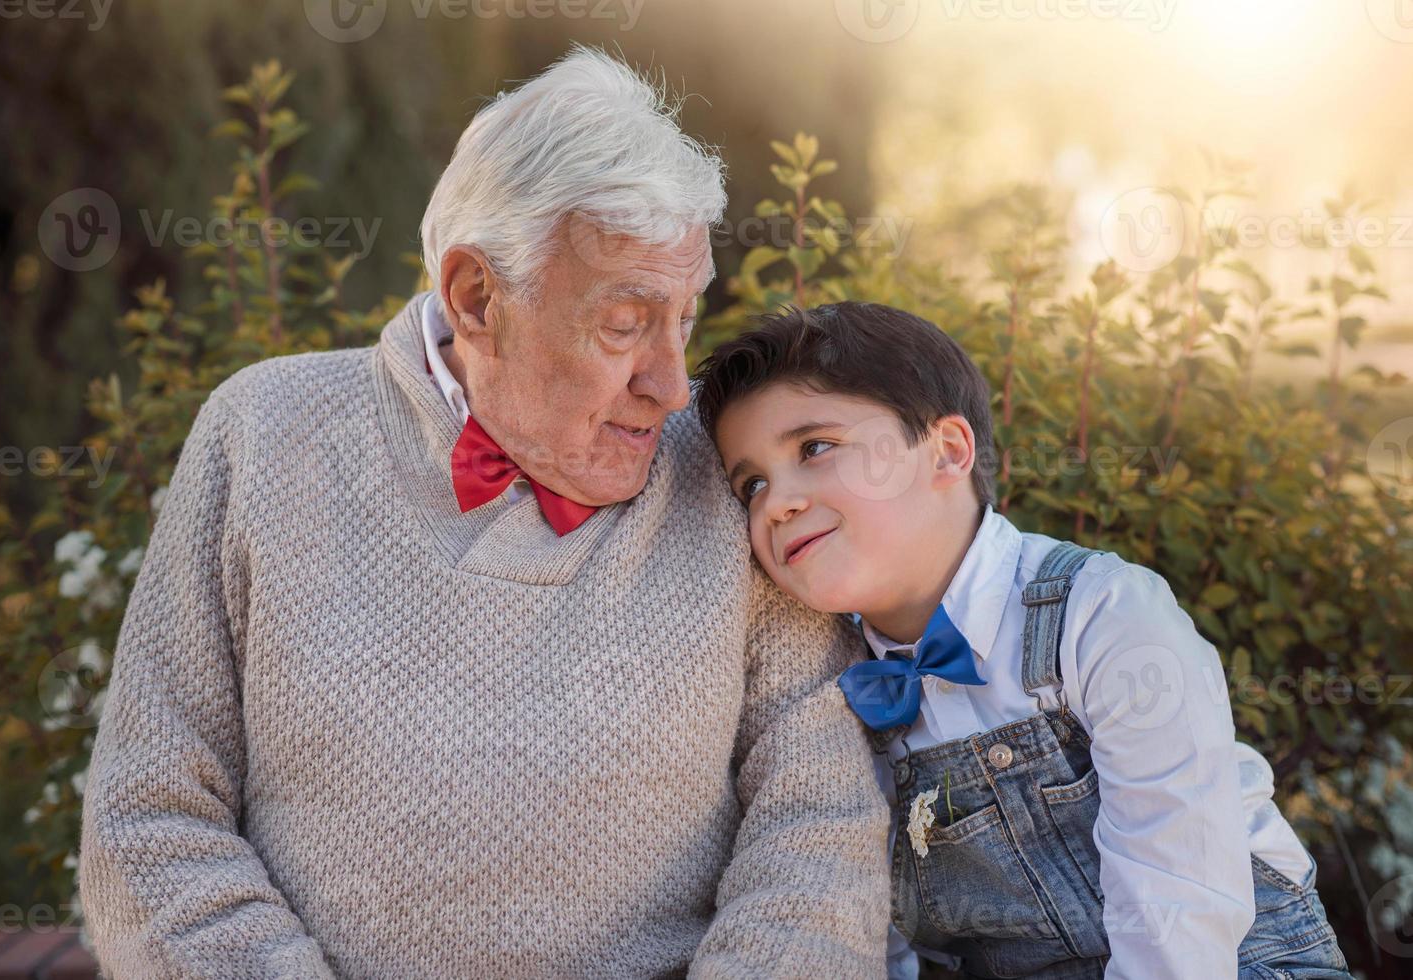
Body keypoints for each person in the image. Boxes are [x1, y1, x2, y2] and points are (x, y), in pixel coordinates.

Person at [78, 49, 891, 979]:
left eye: (685, 319)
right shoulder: (265, 435)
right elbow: (151, 816)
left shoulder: (729, 469)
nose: (672, 386)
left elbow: (822, 829)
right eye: (625, 325)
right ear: (476, 298)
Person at [694, 301, 1351, 979]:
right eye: (752, 485)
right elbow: (866, 920)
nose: (777, 503)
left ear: (947, 452)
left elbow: (1179, 917)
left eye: (816, 448)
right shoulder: (827, 681)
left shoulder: (1103, 615)